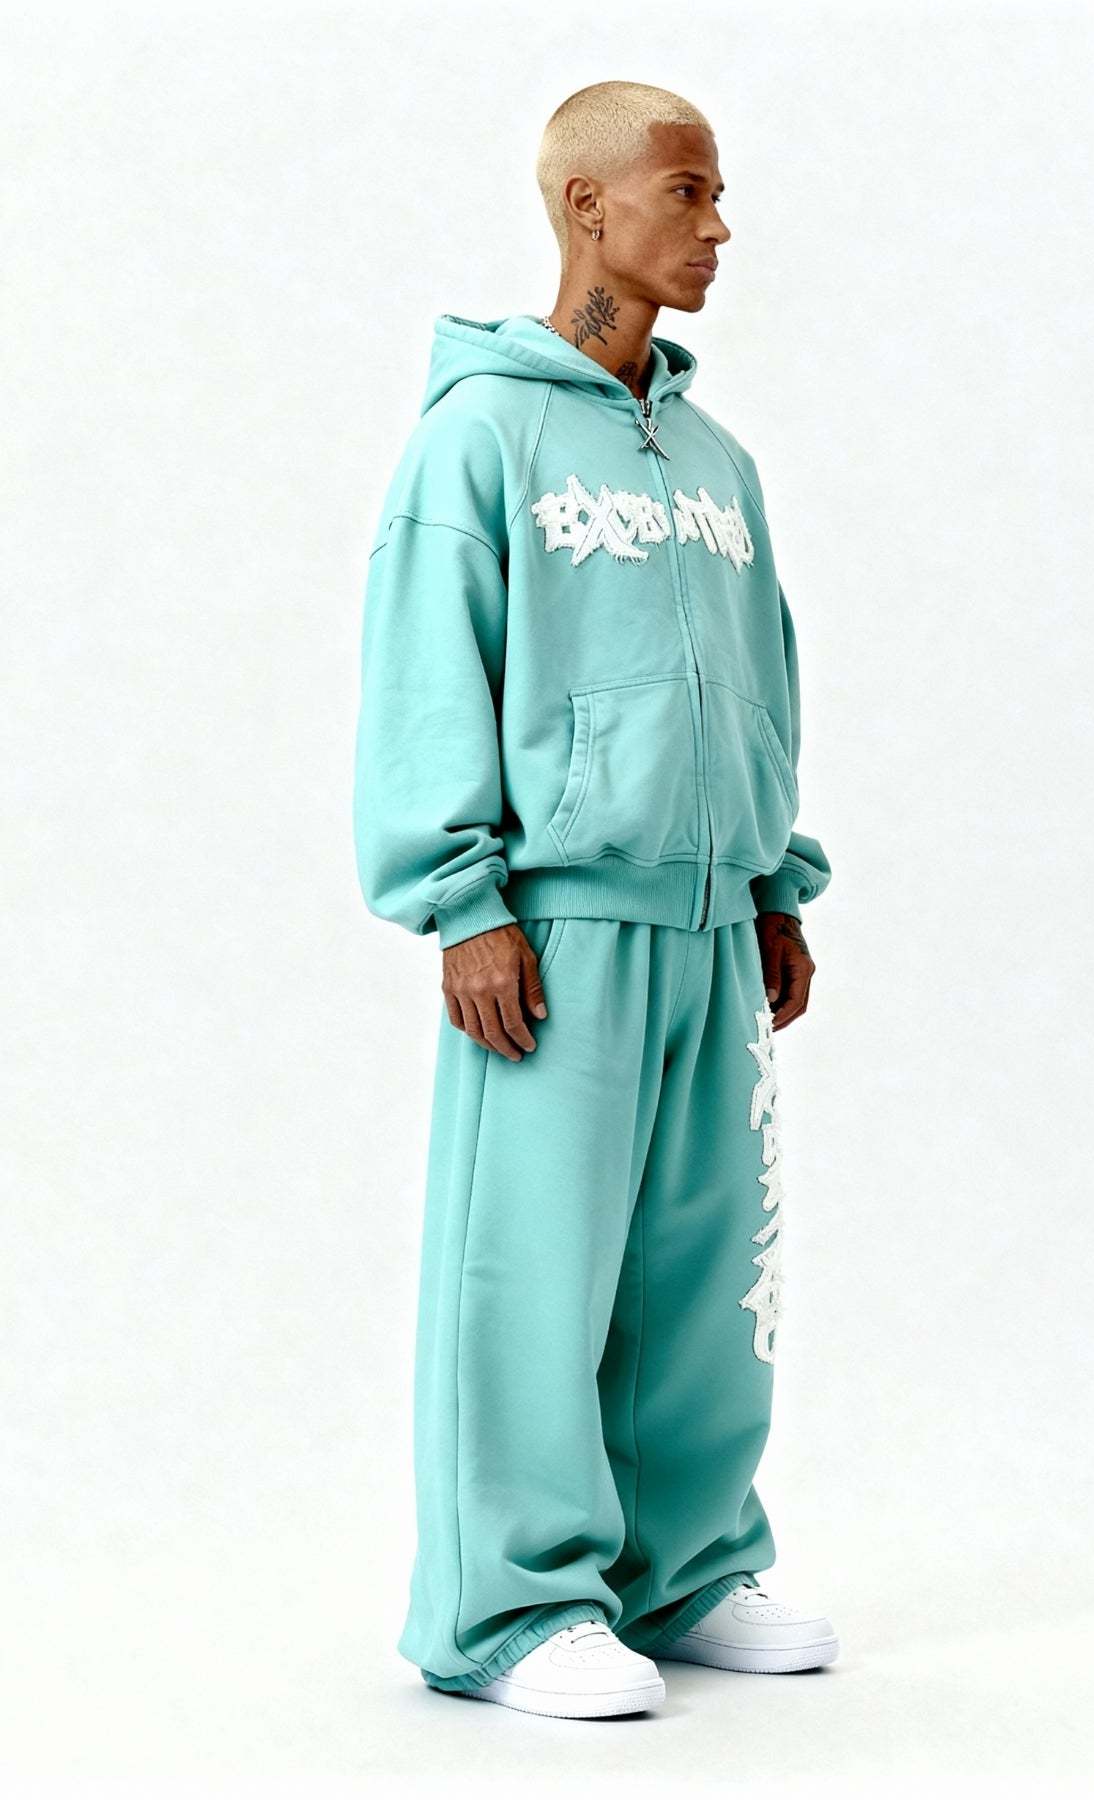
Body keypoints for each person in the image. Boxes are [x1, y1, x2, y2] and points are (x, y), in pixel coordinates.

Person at [353, 80, 838, 1721]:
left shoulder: (717, 461)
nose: (718, 227)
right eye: (688, 191)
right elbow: (431, 668)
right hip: (553, 931)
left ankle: (686, 1567)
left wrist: (774, 882)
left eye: (718, 193)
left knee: (706, 1275)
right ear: (588, 206)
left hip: (710, 925)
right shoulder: (480, 437)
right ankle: (512, 1607)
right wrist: (462, 900)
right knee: (531, 1271)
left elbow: (763, 676)